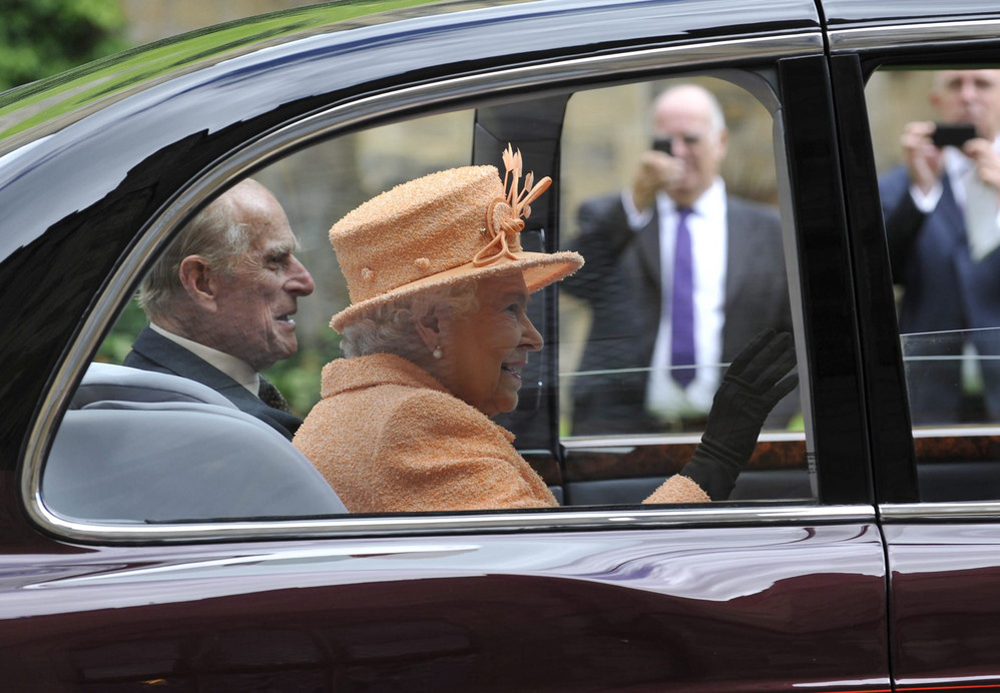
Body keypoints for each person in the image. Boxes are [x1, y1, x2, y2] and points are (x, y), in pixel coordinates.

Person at [293, 145, 797, 513]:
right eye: (511, 309)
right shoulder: (415, 425)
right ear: (431, 324)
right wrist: (716, 460)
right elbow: (583, 585)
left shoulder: (364, 411)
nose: (534, 337)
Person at [561, 84, 794, 435]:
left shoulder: (768, 229)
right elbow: (575, 282)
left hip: (733, 438)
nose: (678, 152)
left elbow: (796, 338)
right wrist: (636, 201)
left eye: (692, 139)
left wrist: (768, 418)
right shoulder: (617, 217)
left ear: (722, 141)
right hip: (625, 432)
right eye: (665, 142)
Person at [125, 178, 315, 440]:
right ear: (202, 282)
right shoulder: (227, 432)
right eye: (274, 260)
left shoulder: (143, 388)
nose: (306, 283)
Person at [880, 69, 1000, 425]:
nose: (967, 96)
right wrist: (923, 193)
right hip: (930, 399)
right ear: (936, 101)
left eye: (981, 84)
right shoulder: (898, 185)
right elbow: (881, 273)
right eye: (954, 85)